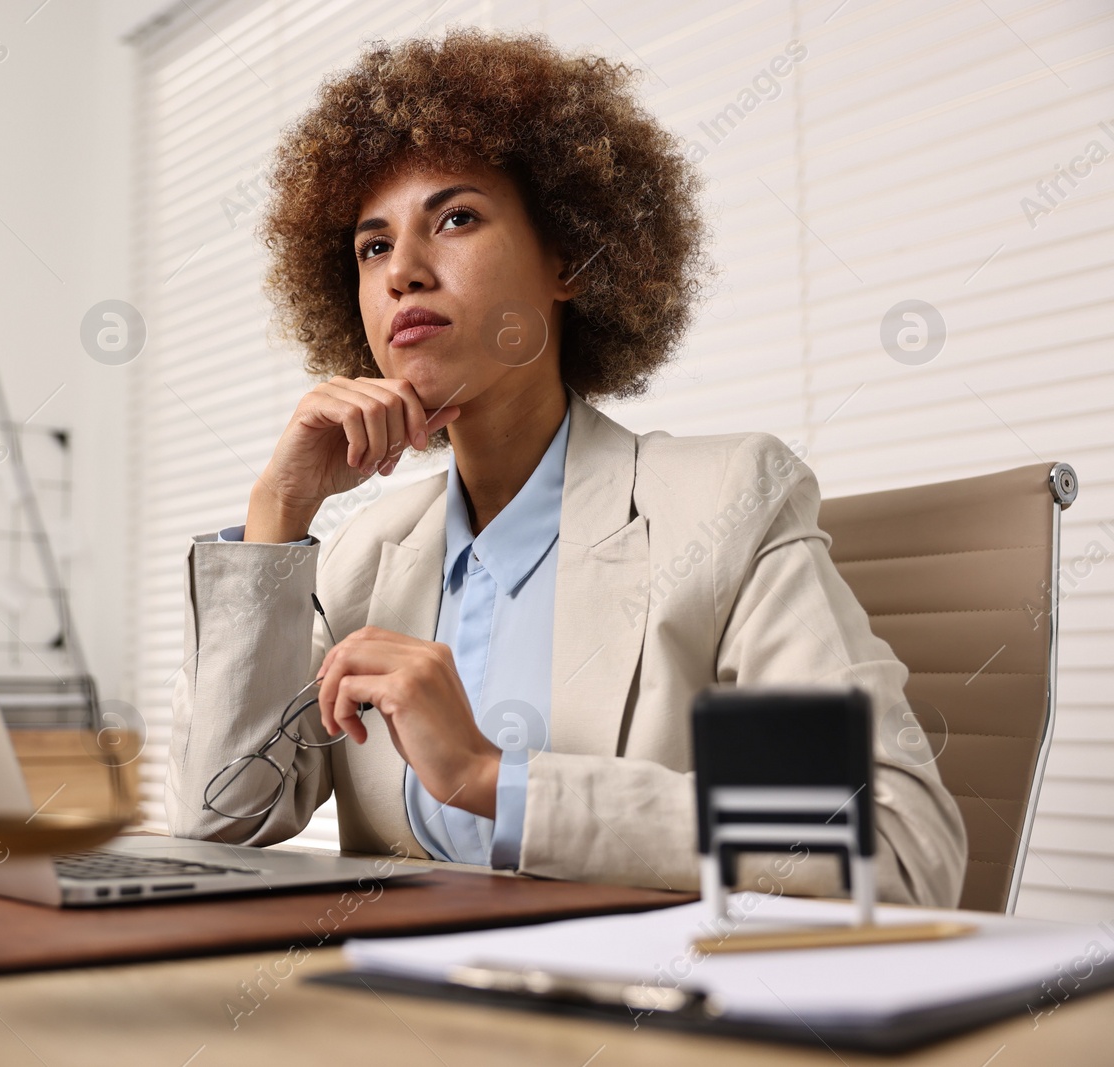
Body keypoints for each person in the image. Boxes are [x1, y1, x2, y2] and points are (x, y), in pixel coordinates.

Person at [165, 28, 966, 906]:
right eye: (373, 246)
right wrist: (280, 507)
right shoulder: (366, 558)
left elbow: (899, 843)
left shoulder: (728, 503)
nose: (405, 274)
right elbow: (222, 827)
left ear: (569, 258)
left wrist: (492, 778)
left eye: (456, 218)